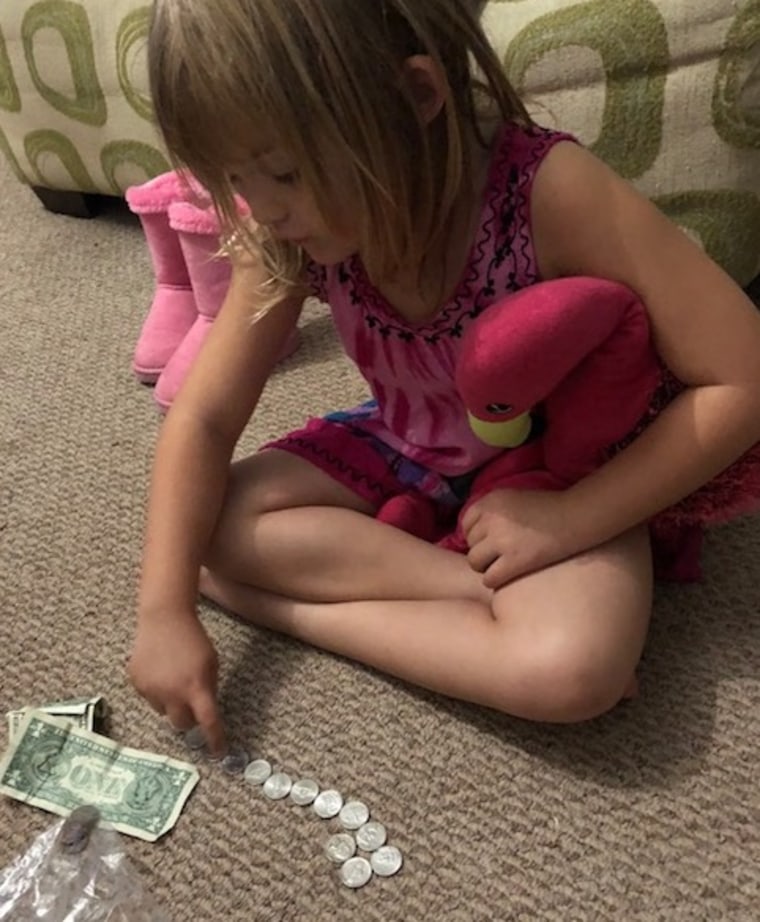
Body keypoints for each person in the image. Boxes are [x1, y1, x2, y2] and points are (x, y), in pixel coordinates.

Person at [128, 0, 760, 755]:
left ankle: (296, 605)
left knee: (572, 672)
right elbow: (201, 421)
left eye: (285, 172)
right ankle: (470, 592)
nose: (263, 209)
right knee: (212, 522)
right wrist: (163, 610)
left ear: (416, 97)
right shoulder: (281, 227)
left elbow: (742, 380)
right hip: (406, 439)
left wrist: (570, 523)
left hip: (555, 468)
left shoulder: (549, 190)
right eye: (235, 176)